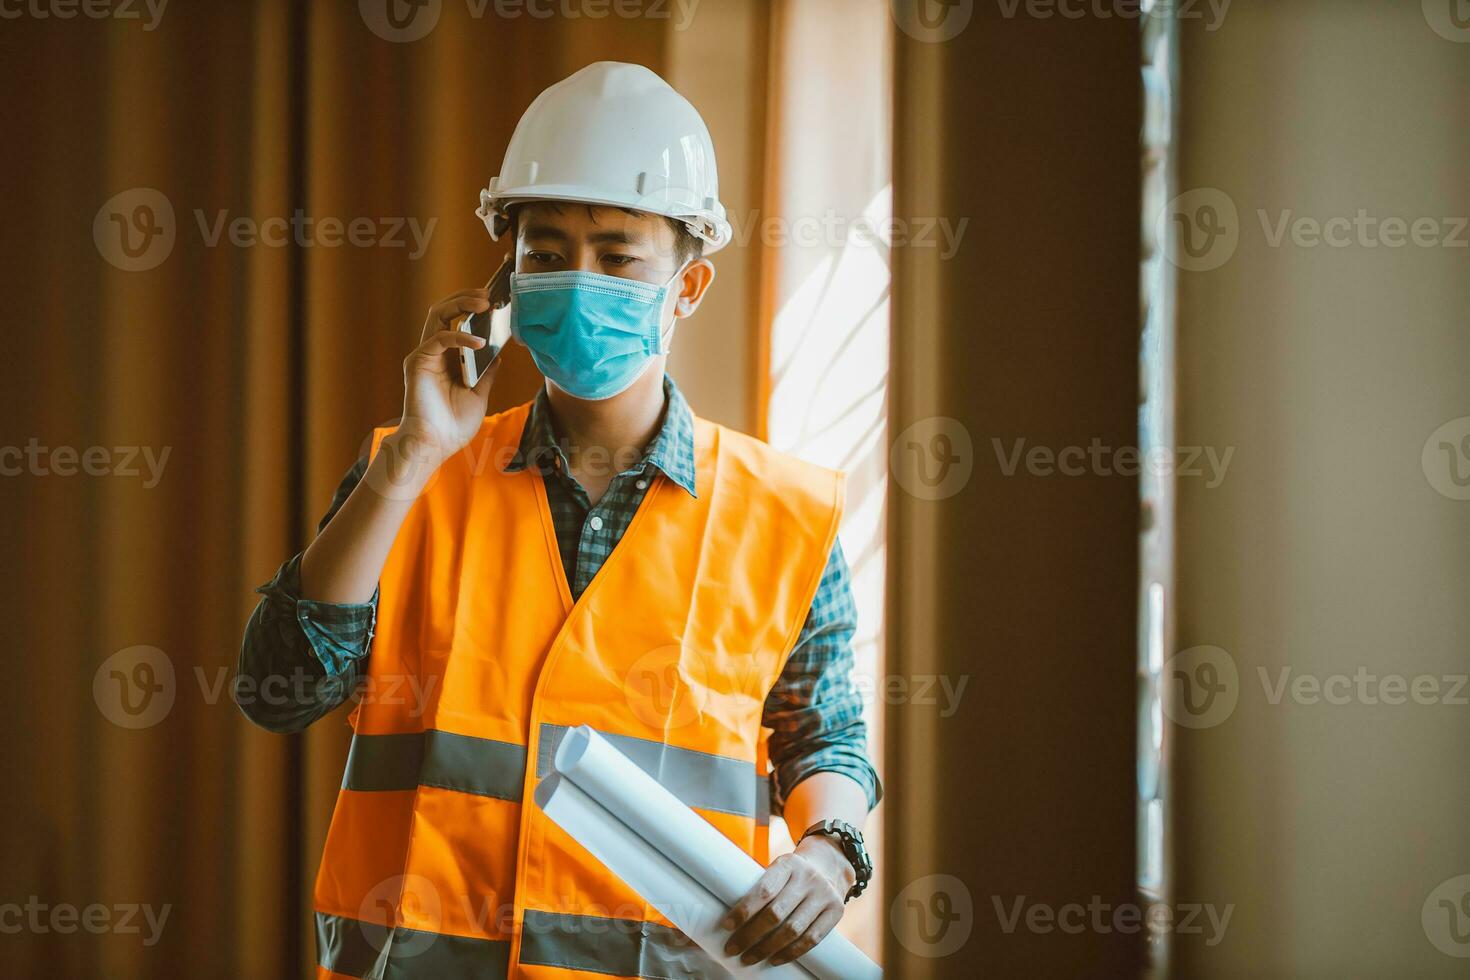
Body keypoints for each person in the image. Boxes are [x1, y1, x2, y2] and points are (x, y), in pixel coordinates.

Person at [236, 61, 879, 979]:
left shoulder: (784, 514)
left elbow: (824, 732)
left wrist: (829, 852)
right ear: (507, 280)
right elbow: (277, 692)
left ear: (687, 287)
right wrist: (413, 456)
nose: (579, 281)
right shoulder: (413, 476)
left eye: (619, 257)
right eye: (546, 254)